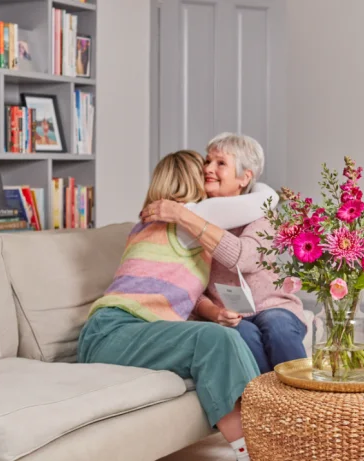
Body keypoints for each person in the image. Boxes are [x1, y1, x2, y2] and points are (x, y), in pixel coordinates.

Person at [78, 149, 279, 461]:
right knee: (217, 340)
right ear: (192, 182)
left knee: (224, 337)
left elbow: (173, 286)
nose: (211, 174)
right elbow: (265, 201)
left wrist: (213, 311)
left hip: (121, 333)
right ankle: (257, 451)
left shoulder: (148, 226)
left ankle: (265, 438)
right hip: (113, 331)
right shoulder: (188, 220)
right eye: (205, 171)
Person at [141, 133, 308, 374]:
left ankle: (310, 402)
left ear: (244, 177)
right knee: (242, 335)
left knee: (276, 326)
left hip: (273, 307)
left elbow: (243, 258)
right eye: (207, 162)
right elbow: (186, 286)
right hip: (229, 314)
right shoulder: (192, 218)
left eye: (220, 163)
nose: (208, 168)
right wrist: (214, 311)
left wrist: (182, 215)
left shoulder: (262, 215)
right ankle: (266, 403)